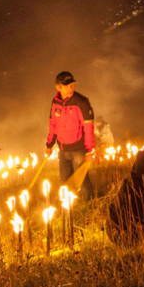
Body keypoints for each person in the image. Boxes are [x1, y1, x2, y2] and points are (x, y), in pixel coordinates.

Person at [45, 71, 96, 200]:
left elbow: (88, 127)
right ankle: (68, 208)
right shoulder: (55, 102)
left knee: (83, 181)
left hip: (78, 149)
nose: (70, 88)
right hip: (63, 149)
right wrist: (49, 144)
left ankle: (89, 205)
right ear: (58, 87)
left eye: (72, 85)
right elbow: (53, 124)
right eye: (67, 86)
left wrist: (89, 151)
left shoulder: (81, 102)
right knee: (64, 182)